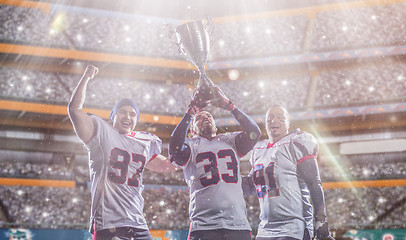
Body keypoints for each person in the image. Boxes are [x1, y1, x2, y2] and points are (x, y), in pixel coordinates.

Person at [68, 65, 177, 240]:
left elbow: (166, 165)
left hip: (137, 223)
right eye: (123, 112)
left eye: (133, 114)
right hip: (108, 223)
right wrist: (86, 77)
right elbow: (74, 110)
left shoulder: (143, 141)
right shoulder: (101, 133)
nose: (128, 117)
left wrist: (192, 151)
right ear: (113, 116)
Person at [168, 86, 261, 240]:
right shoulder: (191, 145)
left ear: (216, 127)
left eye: (210, 117)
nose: (206, 118)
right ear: (192, 130)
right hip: (204, 226)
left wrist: (230, 106)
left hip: (237, 225)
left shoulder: (230, 141)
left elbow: (254, 132)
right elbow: (175, 150)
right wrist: (191, 112)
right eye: (199, 118)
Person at [247, 105, 334, 240]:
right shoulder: (258, 150)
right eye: (270, 117)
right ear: (265, 123)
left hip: (293, 227)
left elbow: (314, 182)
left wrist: (320, 220)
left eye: (280, 117)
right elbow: (250, 186)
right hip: (265, 228)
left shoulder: (296, 141)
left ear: (288, 122)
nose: (274, 120)